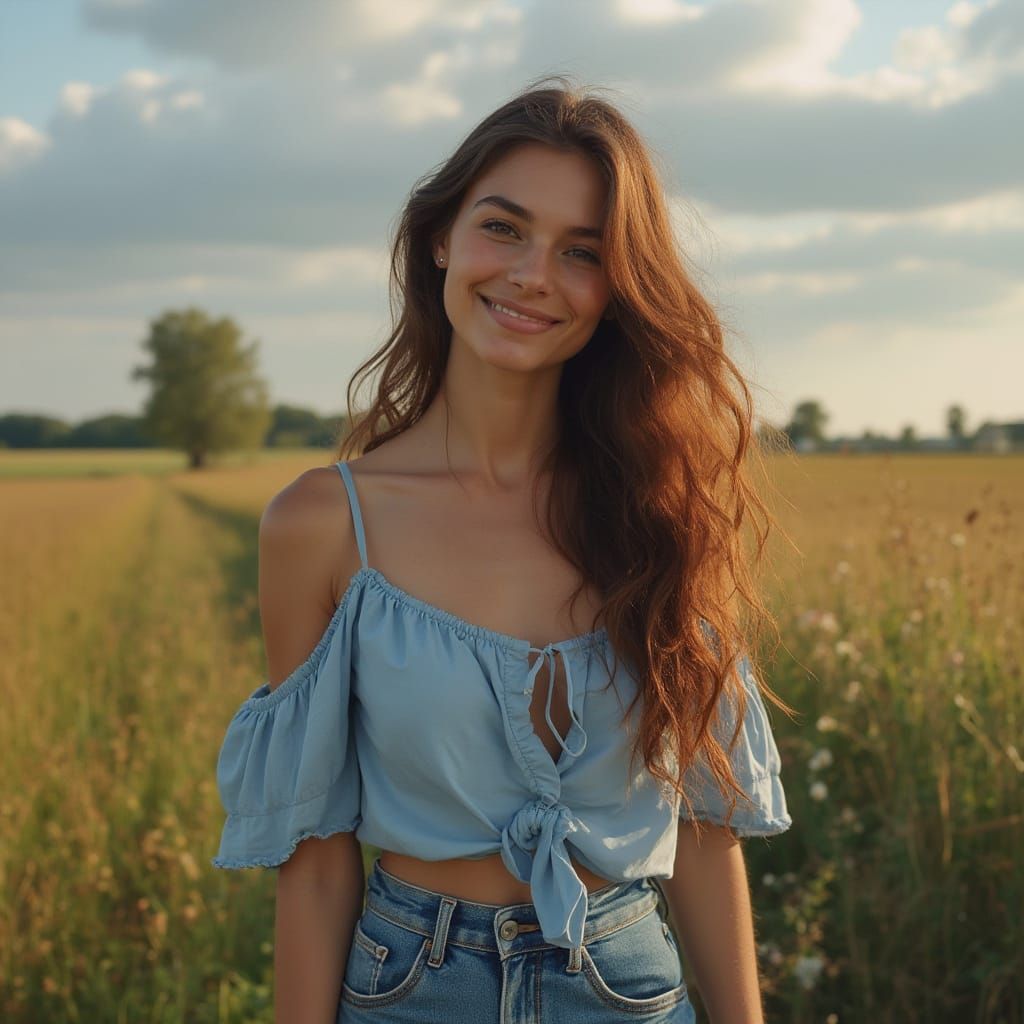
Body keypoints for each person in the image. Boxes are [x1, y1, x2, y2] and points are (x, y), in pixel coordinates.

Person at [212, 74, 795, 1024]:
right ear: (441, 237)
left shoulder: (664, 510)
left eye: (582, 251)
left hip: (628, 984)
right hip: (409, 985)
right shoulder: (322, 525)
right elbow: (315, 861)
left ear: (617, 289)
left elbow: (699, 829)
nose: (532, 275)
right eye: (503, 227)